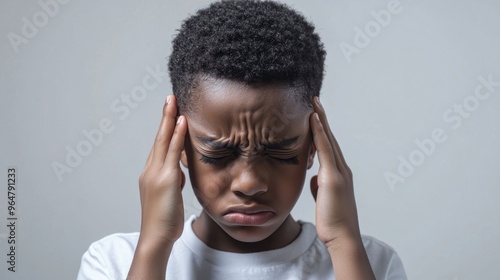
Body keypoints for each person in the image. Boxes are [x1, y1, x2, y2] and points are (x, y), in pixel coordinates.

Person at [77, 1, 407, 279]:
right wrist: (156, 243)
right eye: (218, 153)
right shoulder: (115, 262)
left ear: (313, 148)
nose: (249, 184)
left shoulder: (371, 264)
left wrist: (342, 241)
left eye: (280, 152)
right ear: (178, 147)